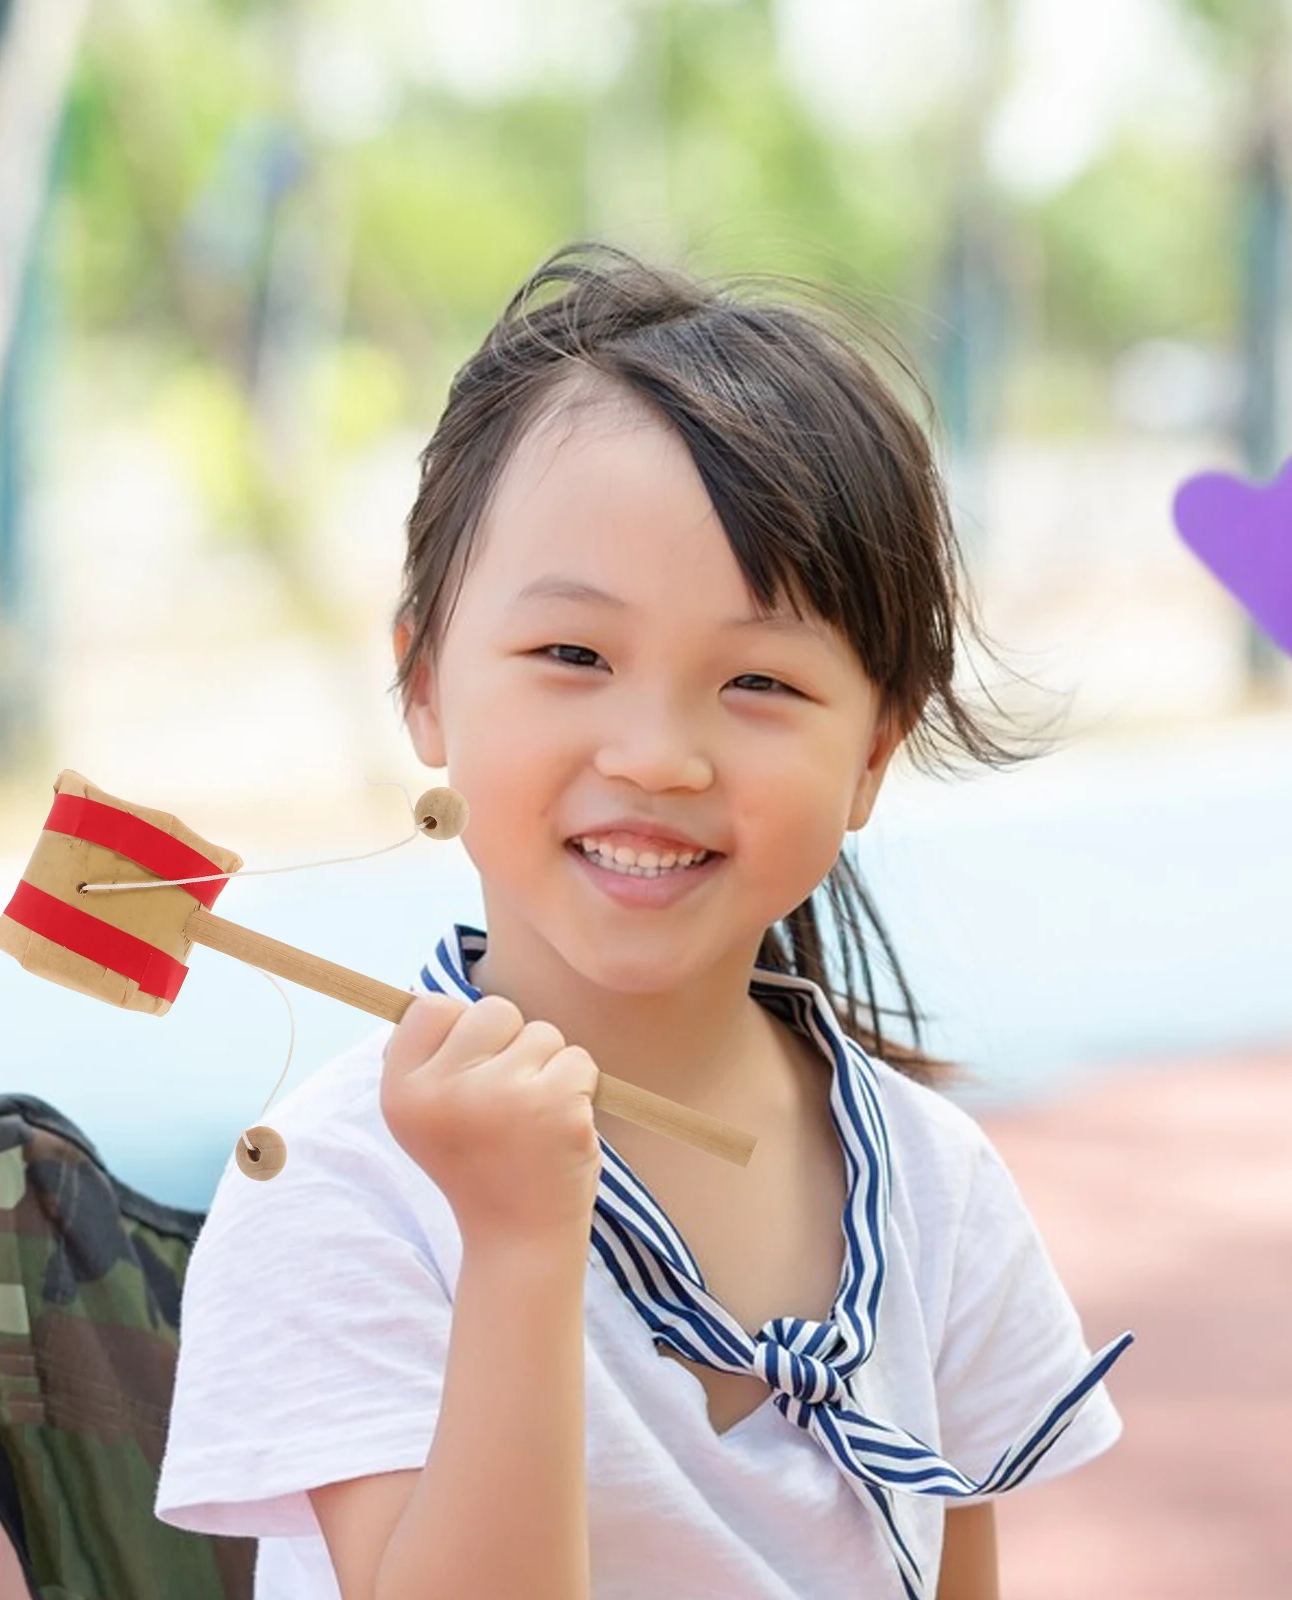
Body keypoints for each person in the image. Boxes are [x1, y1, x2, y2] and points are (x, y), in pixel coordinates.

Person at [154, 243, 1133, 1600]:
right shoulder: (343, 1186)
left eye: (759, 682)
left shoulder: (934, 1186)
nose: (658, 755)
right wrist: (518, 1243)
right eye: (574, 655)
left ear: (871, 756)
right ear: (425, 683)